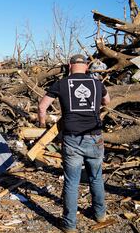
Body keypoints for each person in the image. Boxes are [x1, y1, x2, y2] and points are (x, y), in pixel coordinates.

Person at [38, 54, 111, 233]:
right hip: (95, 137)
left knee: (71, 182)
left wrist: (41, 123)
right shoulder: (97, 83)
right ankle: (100, 215)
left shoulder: (61, 83)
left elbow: (42, 107)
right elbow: (107, 102)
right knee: (96, 177)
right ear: (86, 67)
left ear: (70, 66)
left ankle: (70, 225)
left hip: (72, 139)